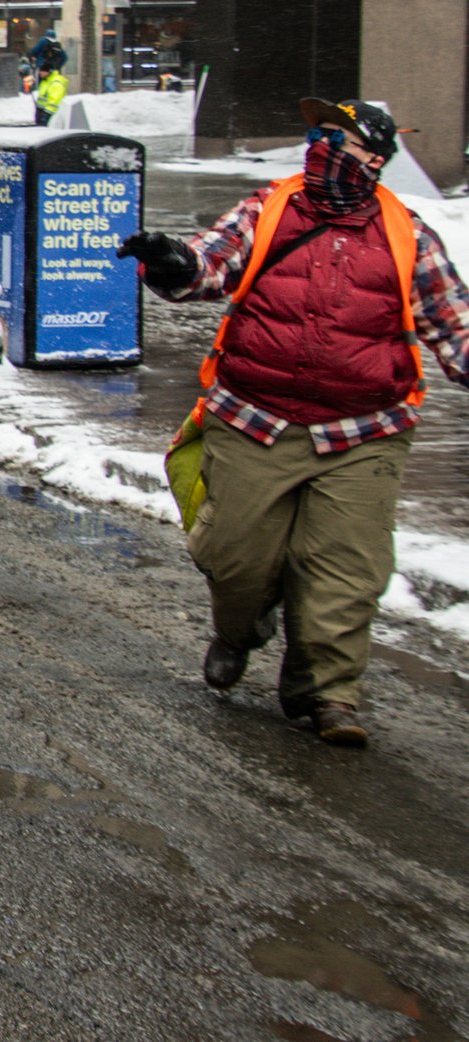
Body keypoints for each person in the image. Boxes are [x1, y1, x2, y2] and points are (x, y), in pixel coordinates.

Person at [119, 99, 469, 749]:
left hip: (366, 431)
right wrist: (171, 263)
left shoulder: (408, 235)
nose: (319, 144)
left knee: (345, 568)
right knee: (237, 560)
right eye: (317, 133)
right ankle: (240, 628)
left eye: (335, 136)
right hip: (255, 418)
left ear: (373, 157)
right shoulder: (270, 208)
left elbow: (455, 328)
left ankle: (325, 692)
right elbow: (209, 264)